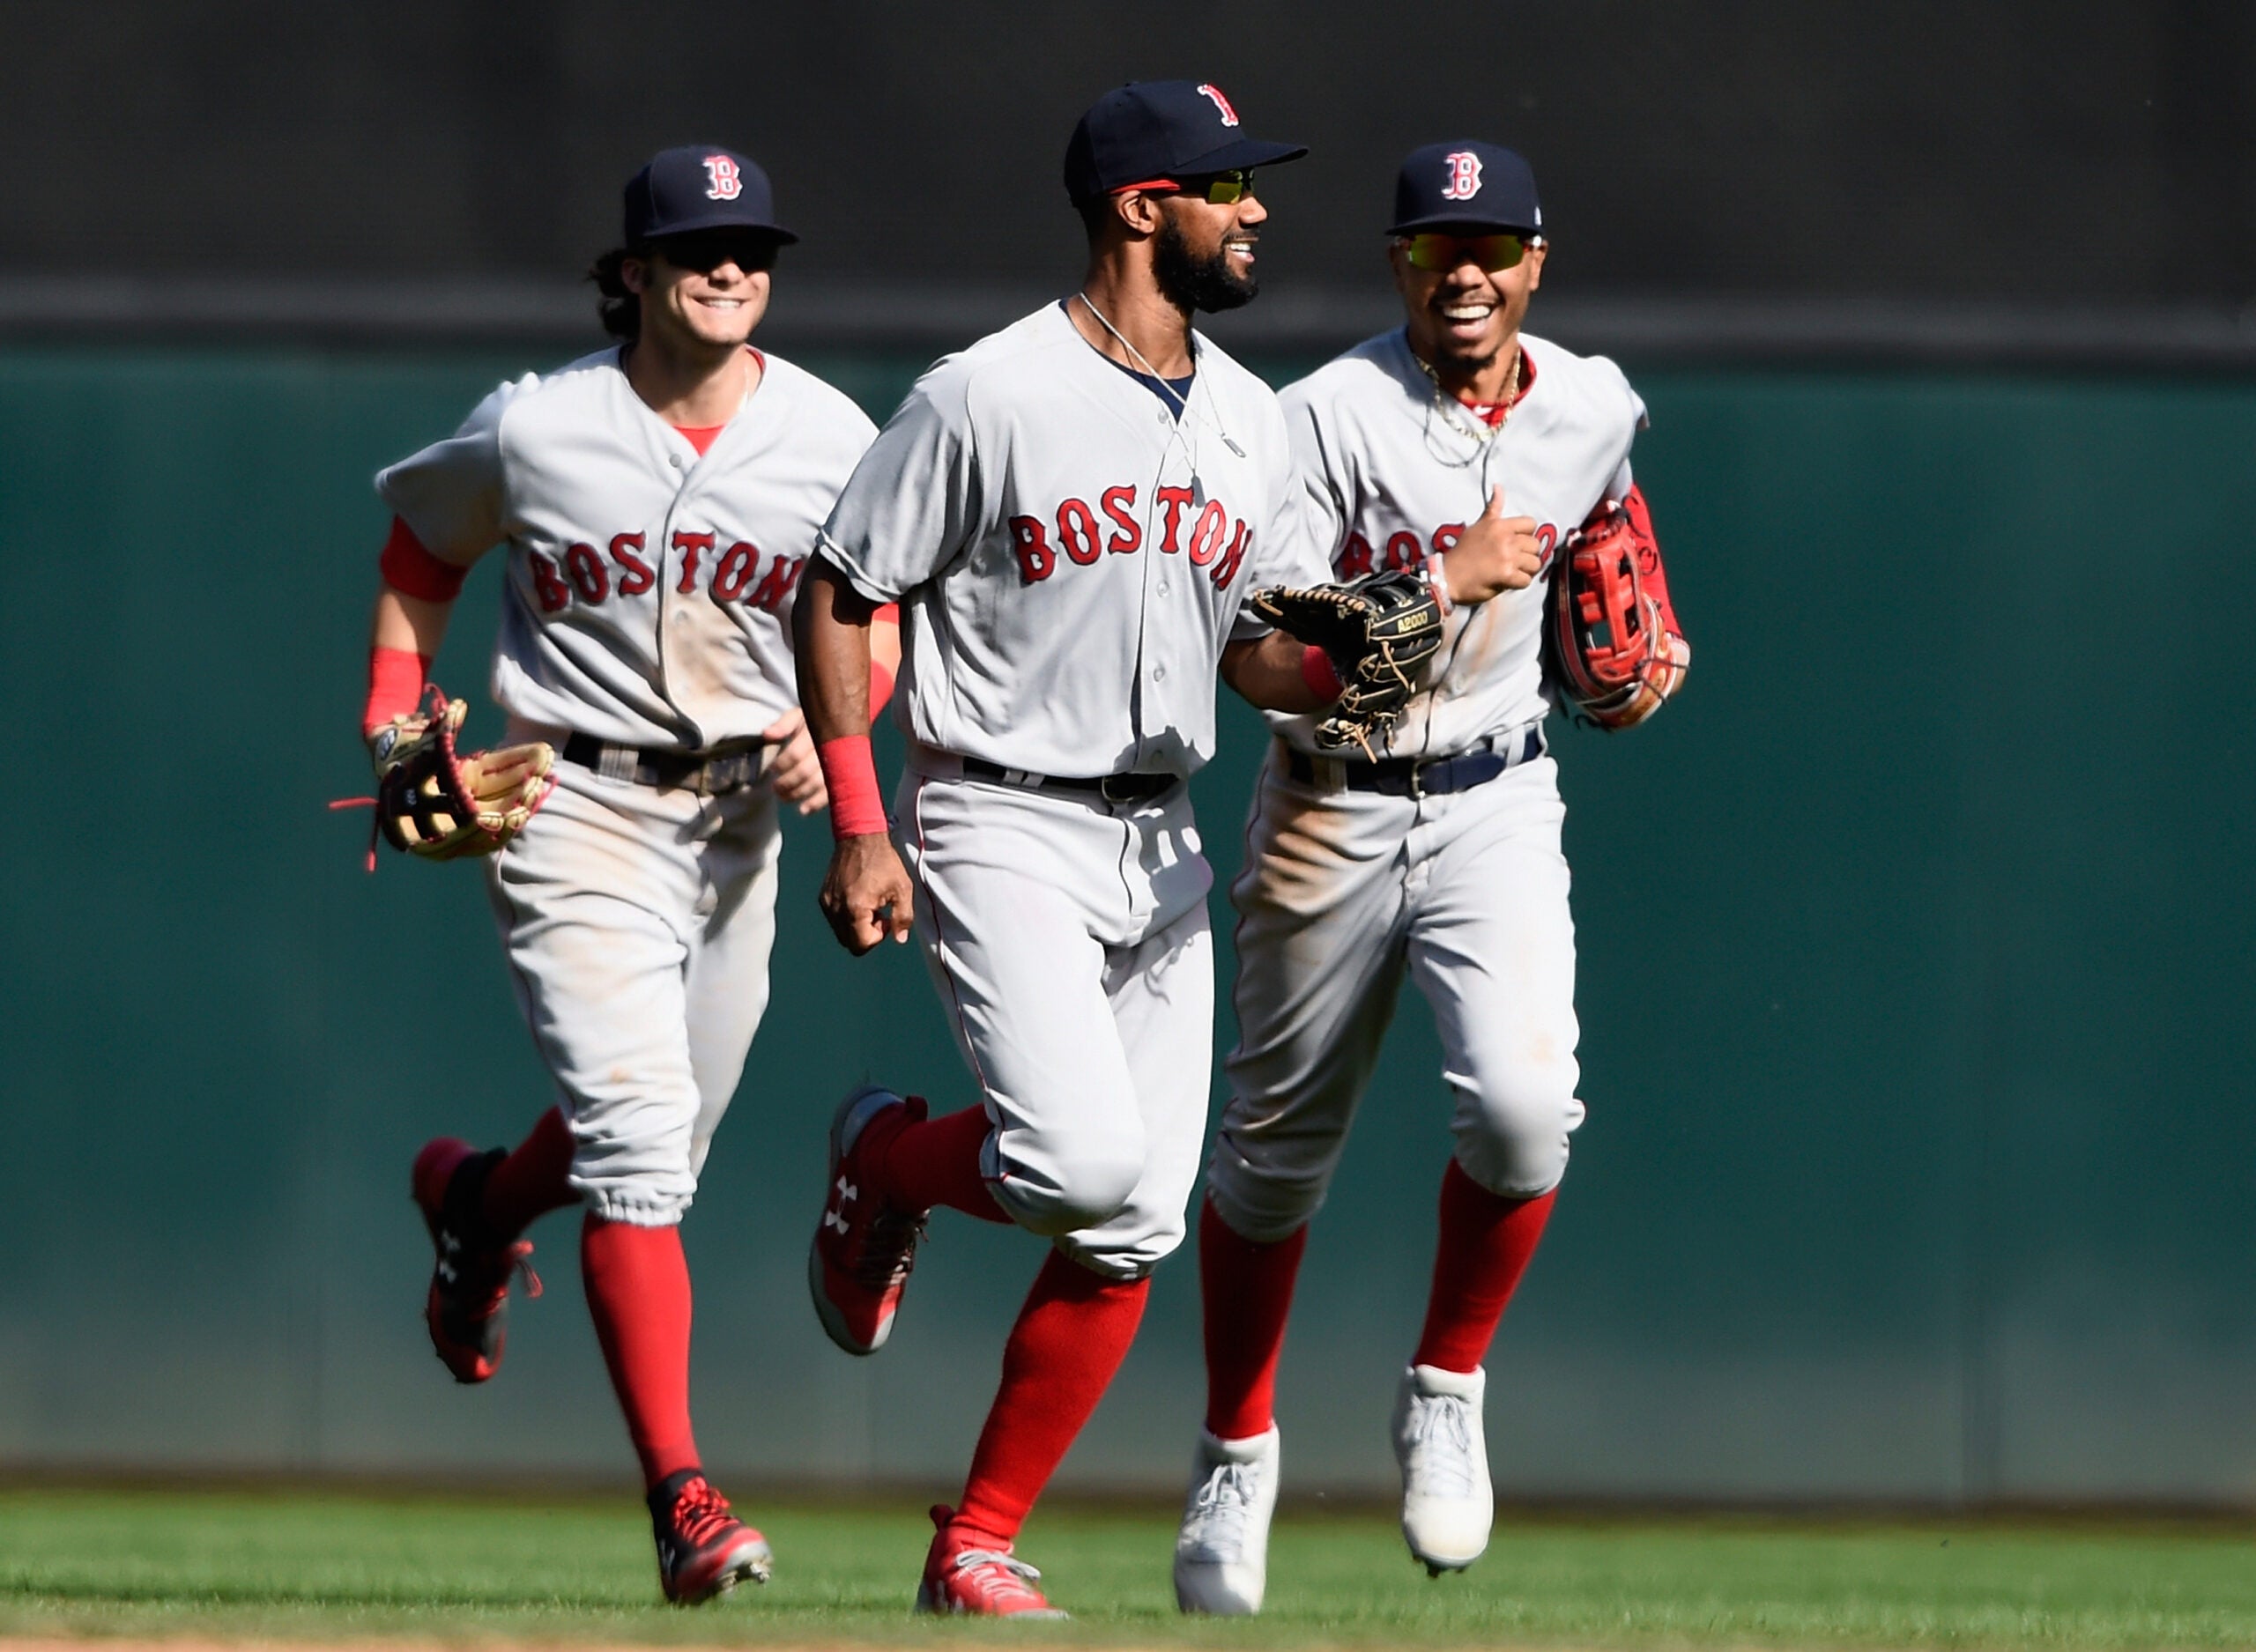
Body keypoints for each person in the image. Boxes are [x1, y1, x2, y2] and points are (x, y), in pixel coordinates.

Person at [791, 85, 1547, 1619]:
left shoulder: (1248, 418)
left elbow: (1266, 658)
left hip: (1159, 831)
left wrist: (1417, 619)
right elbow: (842, 591)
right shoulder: (985, 393)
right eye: (1224, 185)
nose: (1255, 208)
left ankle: (975, 1545)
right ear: (1141, 207)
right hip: (994, 809)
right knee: (1078, 1165)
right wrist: (861, 822)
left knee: (1133, 1223)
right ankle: (884, 1163)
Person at [364, 144, 895, 1603]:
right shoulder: (539, 431)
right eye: (697, 247)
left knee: (656, 1142)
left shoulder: (834, 437)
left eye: (752, 246)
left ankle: (479, 1203)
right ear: (636, 275)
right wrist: (397, 730)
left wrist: (835, 745)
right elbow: (422, 549)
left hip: (738, 830)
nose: (731, 268)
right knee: (644, 1146)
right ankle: (683, 1501)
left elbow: (878, 620)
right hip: (570, 808)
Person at [1171, 141, 1684, 1615]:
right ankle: (1235, 1448)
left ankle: (1447, 1385)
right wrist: (1437, 586)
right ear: (1397, 264)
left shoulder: (1591, 405)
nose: (1462, 269)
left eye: (1490, 245)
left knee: (1526, 1118)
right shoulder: (1321, 419)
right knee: (1271, 1164)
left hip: (1496, 796)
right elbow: (1256, 649)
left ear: (1536, 263)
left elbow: (1608, 538)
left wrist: (1643, 634)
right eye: (1431, 245)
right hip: (1329, 799)